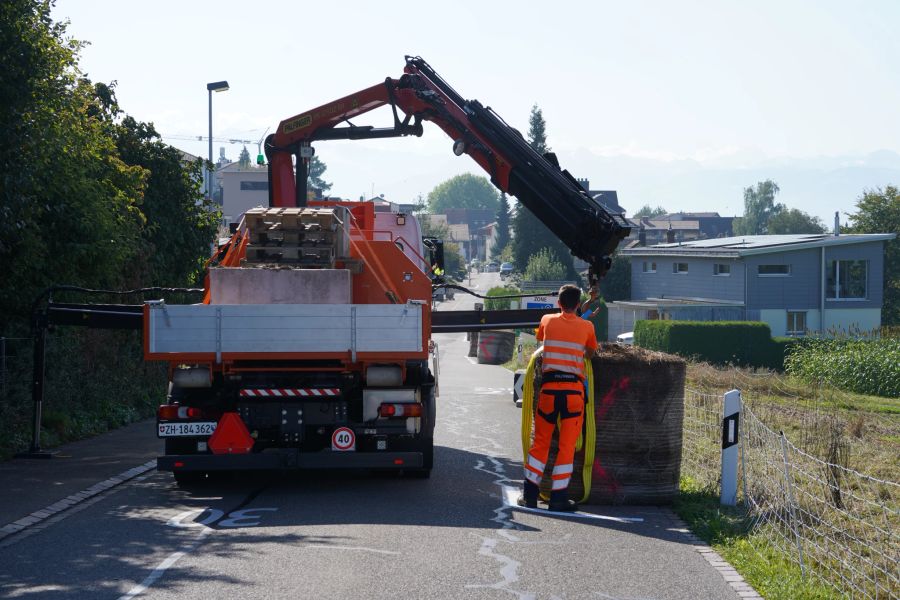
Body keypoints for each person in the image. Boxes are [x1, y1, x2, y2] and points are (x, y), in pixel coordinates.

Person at [520, 284, 598, 512]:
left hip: (549, 390)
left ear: (558, 303)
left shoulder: (547, 320)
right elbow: (590, 353)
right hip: (574, 392)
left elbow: (542, 337)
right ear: (577, 304)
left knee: (541, 443)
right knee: (567, 446)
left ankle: (530, 496)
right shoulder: (588, 326)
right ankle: (558, 499)